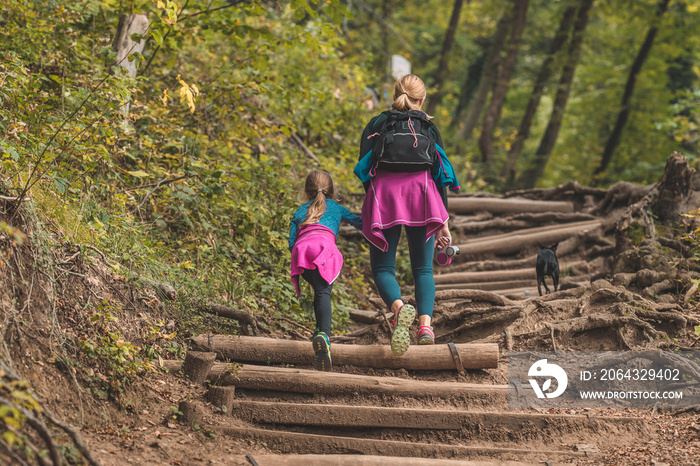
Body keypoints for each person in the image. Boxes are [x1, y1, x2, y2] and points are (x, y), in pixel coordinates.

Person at [355, 74, 461, 356]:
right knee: (424, 269)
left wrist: (375, 196)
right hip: (423, 195)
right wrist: (444, 222)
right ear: (422, 99)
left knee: (382, 268)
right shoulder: (428, 126)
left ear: (395, 94)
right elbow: (441, 176)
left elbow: (364, 167)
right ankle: (426, 326)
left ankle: (400, 309)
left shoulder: (377, 123)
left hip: (385, 196)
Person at [289, 170, 362, 371]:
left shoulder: (299, 212)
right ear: (332, 191)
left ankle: (319, 331)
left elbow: (291, 243)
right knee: (323, 292)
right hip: (324, 250)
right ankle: (324, 335)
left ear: (305, 191)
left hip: (302, 251)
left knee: (318, 292)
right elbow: (361, 224)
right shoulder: (336, 208)